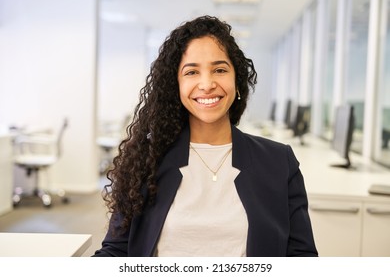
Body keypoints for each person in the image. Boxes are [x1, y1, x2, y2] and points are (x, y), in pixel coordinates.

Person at [93, 15, 318, 257]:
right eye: (191, 72)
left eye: (220, 69)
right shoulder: (147, 160)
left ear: (236, 80)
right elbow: (116, 252)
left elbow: (301, 258)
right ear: (175, 85)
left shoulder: (278, 161)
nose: (207, 84)